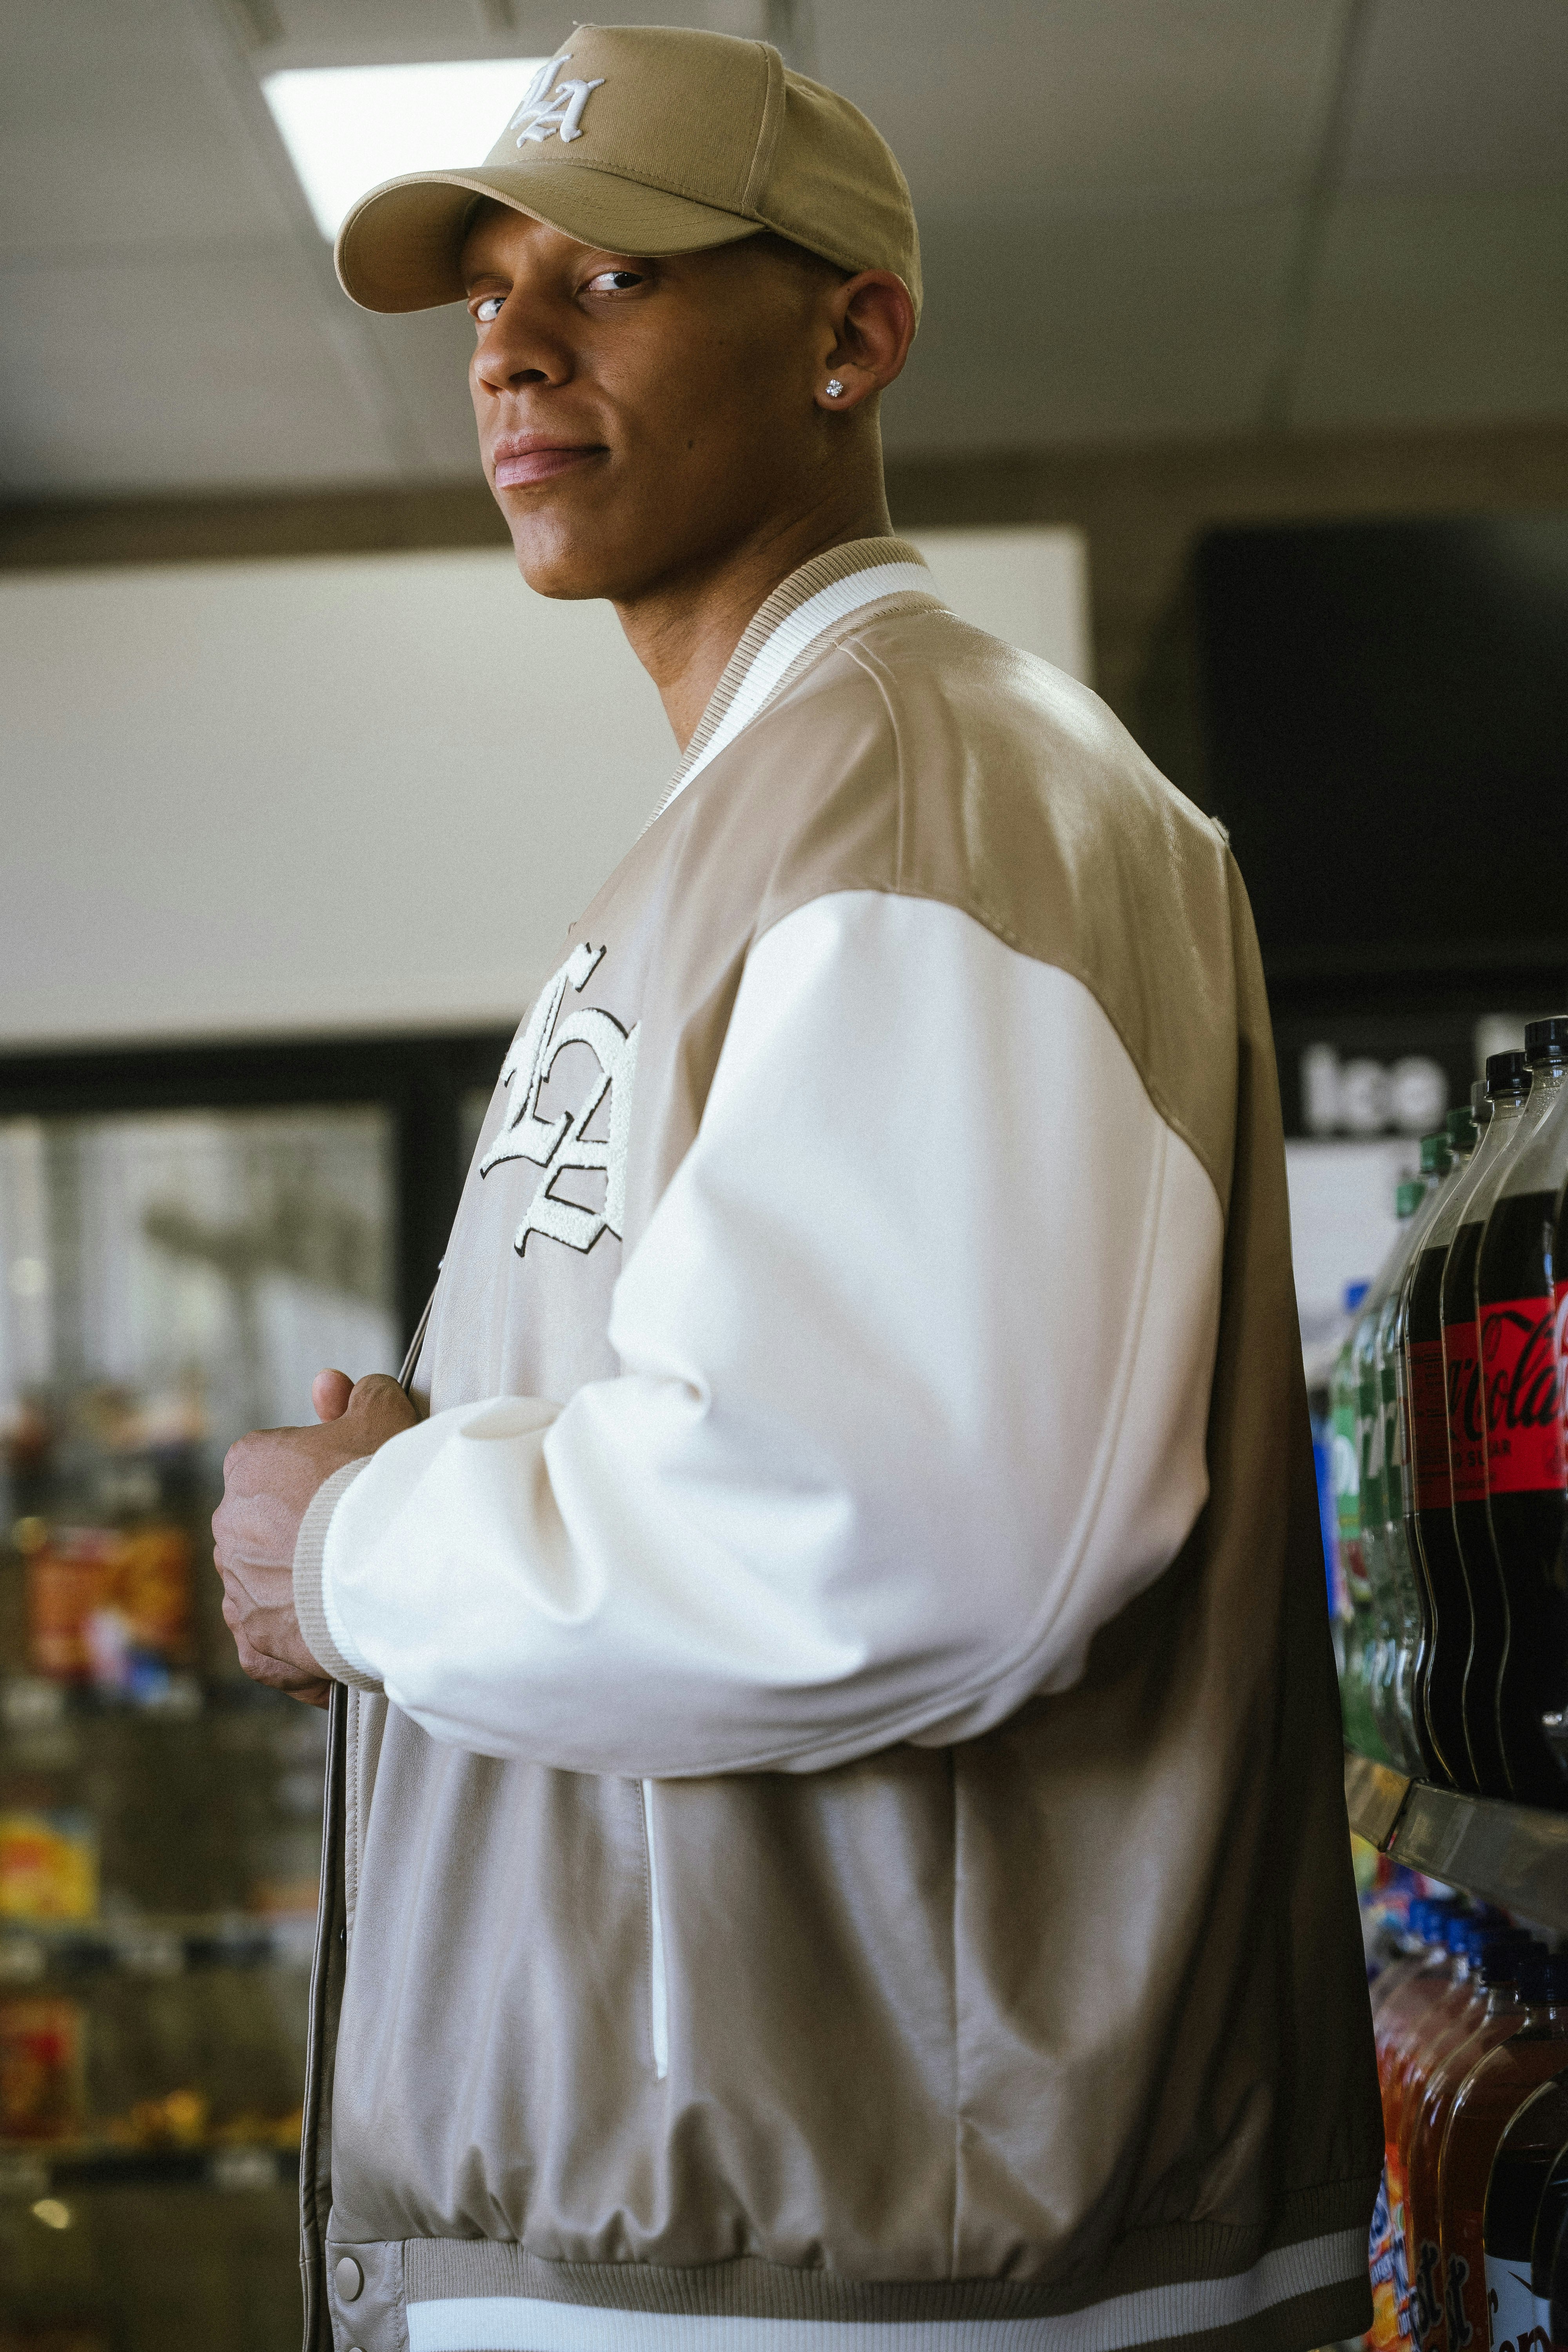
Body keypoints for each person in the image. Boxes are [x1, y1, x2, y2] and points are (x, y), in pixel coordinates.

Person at [213, 24, 1382, 2352]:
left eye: (617, 275)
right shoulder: (779, 806)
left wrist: (351, 1549)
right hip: (769, 2256)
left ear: (850, 336)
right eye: (485, 301)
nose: (518, 350)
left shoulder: (927, 787)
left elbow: (888, 1521)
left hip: (861, 2274)